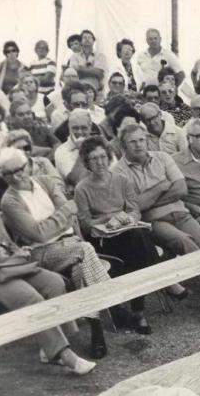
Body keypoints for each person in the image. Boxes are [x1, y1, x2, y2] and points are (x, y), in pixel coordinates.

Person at [0, 160, 96, 374]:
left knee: (54, 282)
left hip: (7, 265)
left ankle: (51, 347)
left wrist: (16, 251)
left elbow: (5, 241)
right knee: (29, 297)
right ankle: (66, 356)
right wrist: (1, 258)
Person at [0, 147, 109, 357]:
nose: (16, 176)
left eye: (19, 169)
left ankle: (97, 329)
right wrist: (62, 215)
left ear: (28, 164)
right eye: (8, 173)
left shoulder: (45, 182)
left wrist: (59, 219)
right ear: (3, 175)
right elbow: (39, 234)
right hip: (40, 253)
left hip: (69, 244)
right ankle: (109, 301)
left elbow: (70, 214)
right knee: (85, 249)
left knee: (79, 267)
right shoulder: (9, 201)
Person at [111, 123, 200, 310]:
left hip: (182, 213)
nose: (138, 145)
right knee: (183, 240)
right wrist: (161, 186)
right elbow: (136, 206)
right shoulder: (119, 171)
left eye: (141, 140)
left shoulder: (162, 158)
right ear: (123, 146)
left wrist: (150, 197)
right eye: (132, 142)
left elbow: (181, 189)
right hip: (154, 221)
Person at [75, 135, 183, 328]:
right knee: (139, 242)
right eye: (94, 158)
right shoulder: (82, 188)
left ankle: (139, 313)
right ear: (86, 162)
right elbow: (84, 224)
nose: (100, 162)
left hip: (128, 233)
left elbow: (134, 209)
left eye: (103, 156)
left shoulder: (121, 180)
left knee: (137, 240)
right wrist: (110, 219)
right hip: (103, 240)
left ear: (109, 157)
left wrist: (129, 218)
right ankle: (164, 284)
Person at [54, 108, 98, 190]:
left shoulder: (100, 145)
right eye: (75, 128)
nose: (80, 132)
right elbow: (76, 180)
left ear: (90, 127)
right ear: (69, 128)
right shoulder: (61, 151)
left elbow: (113, 171)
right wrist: (83, 150)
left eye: (84, 128)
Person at [67, 30, 109, 95]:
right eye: (84, 37)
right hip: (78, 89)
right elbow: (73, 73)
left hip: (96, 90)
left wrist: (79, 68)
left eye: (89, 37)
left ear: (93, 41)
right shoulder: (74, 56)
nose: (87, 39)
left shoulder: (100, 56)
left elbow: (98, 73)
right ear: (81, 42)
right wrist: (92, 70)